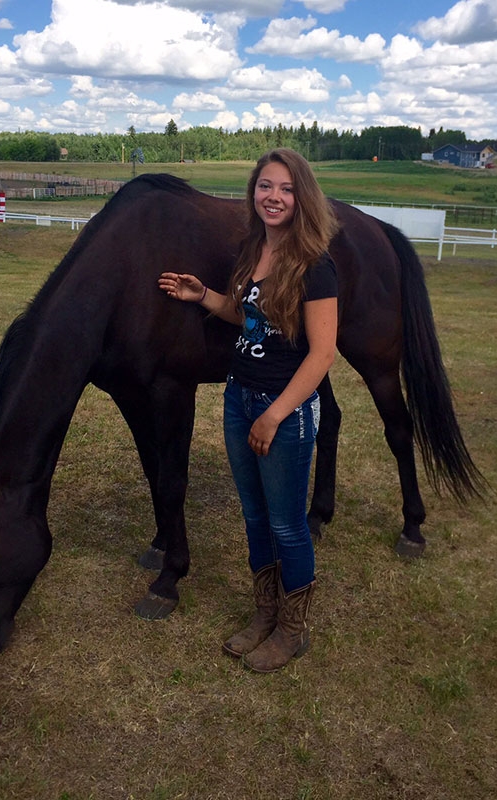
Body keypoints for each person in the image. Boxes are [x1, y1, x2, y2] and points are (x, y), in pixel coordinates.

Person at [158, 148, 338, 672]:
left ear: (301, 196)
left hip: (283, 411)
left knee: (287, 525)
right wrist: (205, 295)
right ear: (253, 192)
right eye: (265, 186)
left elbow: (322, 354)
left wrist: (275, 413)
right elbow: (250, 316)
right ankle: (265, 613)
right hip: (239, 398)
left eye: (284, 188)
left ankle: (292, 628)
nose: (273, 197)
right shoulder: (254, 250)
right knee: (255, 518)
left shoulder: (315, 265)